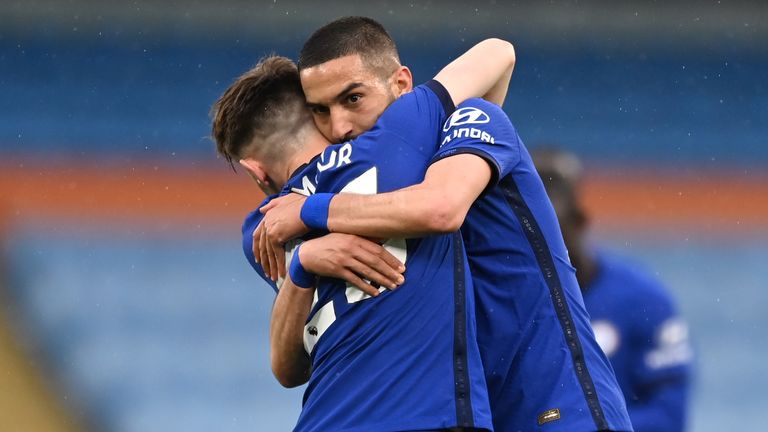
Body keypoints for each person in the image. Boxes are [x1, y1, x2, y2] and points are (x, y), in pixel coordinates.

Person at [256, 16, 633, 432]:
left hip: (555, 397)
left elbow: (441, 208)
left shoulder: (472, 120)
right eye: (320, 112)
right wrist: (305, 259)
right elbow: (288, 368)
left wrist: (308, 210)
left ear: (401, 84)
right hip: (484, 409)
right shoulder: (380, 185)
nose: (340, 127)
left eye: (353, 99)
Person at [212, 34, 519, 430]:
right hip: (423, 415)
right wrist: (451, 143)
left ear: (255, 170)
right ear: (313, 115)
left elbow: (287, 371)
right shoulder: (400, 134)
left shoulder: (263, 226)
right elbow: (499, 51)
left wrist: (305, 250)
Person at [531, 147, 694, 432]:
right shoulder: (498, 302)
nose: (545, 247)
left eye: (554, 230)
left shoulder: (643, 300)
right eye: (532, 233)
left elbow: (668, 415)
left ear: (579, 222)